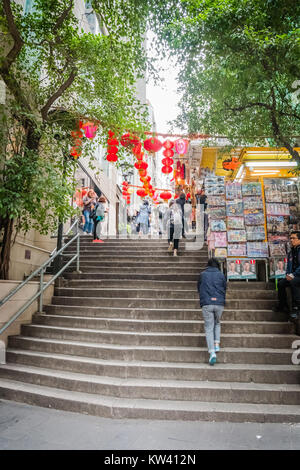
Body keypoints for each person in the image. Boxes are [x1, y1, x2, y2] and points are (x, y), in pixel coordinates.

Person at [197, 258, 227, 365]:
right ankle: (217, 343)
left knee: (209, 327)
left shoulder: (202, 274)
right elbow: (225, 287)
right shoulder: (221, 275)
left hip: (207, 304)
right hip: (219, 303)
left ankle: (212, 353)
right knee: (217, 323)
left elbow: (199, 288)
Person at [273, 231, 300, 322]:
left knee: (293, 282)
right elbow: (289, 265)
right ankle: (282, 305)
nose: (291, 240)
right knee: (281, 283)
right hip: (293, 275)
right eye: (290, 238)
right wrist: (288, 274)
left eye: (294, 238)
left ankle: (296, 307)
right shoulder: (291, 252)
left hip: (297, 275)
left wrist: (293, 274)